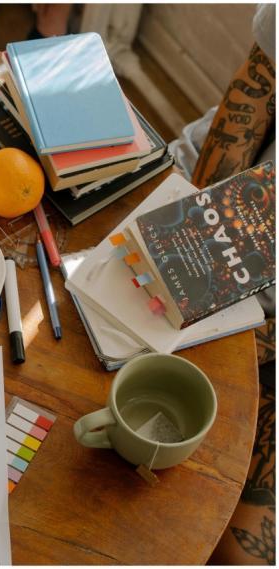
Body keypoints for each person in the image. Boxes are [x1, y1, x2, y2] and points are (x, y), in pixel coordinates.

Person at [169, 4, 275, 565]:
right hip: (198, 215)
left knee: (237, 554)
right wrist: (197, 268)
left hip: (270, 346)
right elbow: (259, 88)